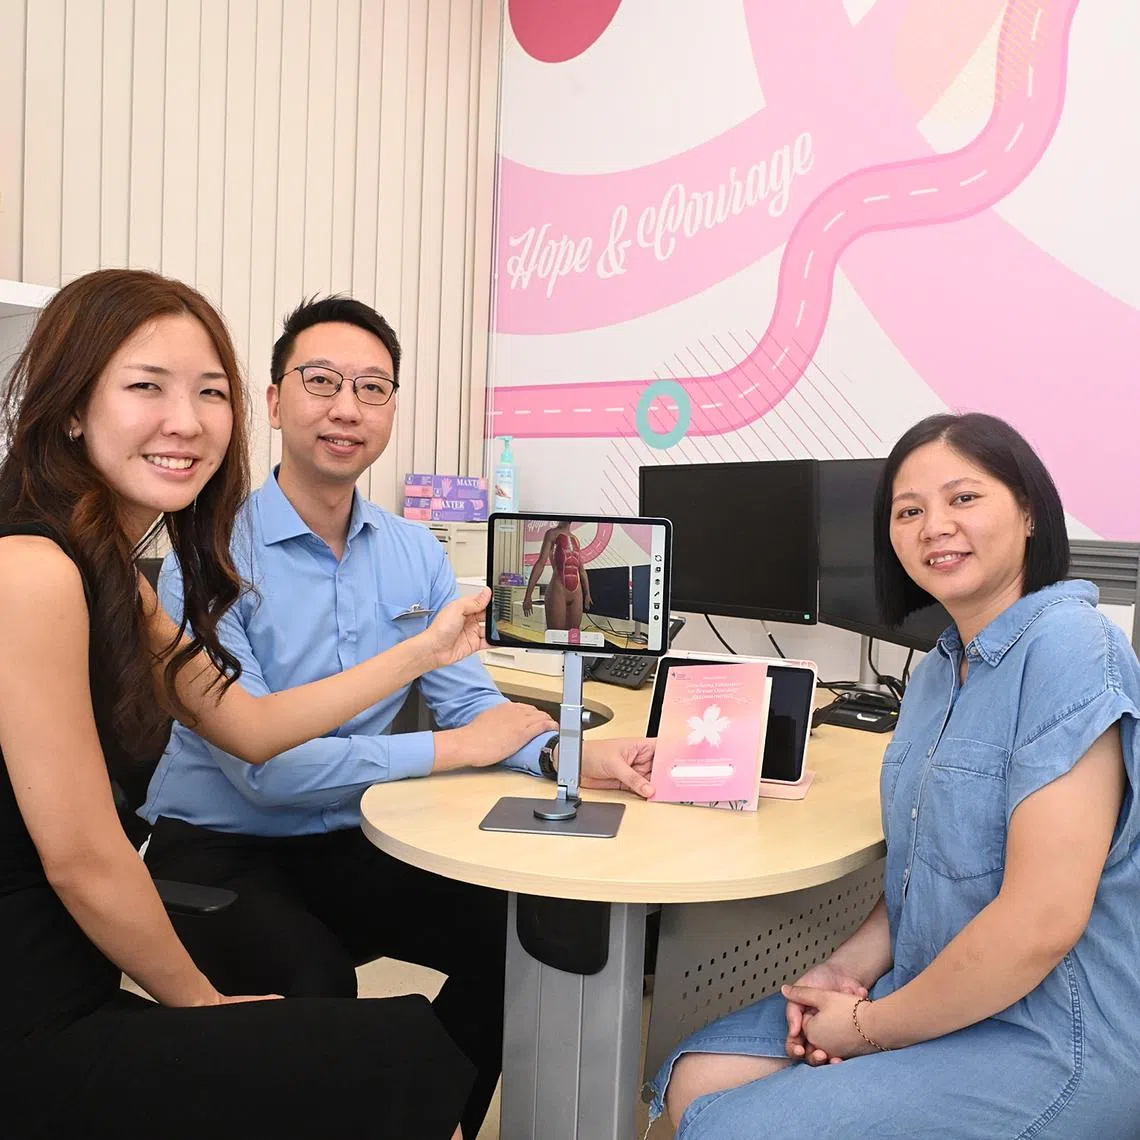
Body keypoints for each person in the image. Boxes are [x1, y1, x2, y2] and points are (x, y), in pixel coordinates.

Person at [139, 294, 657, 1139]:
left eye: (373, 388)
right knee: (317, 989)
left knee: (524, 943)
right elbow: (267, 771)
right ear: (272, 402)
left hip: (353, 837)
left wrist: (567, 756)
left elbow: (472, 701)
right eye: (321, 381)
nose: (347, 407)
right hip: (219, 848)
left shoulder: (416, 551)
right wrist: (451, 749)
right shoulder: (208, 556)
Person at [0, 269, 498, 1139]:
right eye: (145, 387)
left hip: (78, 975)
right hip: (31, 1011)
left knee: (428, 1022)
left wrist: (423, 650)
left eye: (207, 393)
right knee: (387, 1056)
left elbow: (255, 725)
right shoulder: (34, 570)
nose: (185, 422)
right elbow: (84, 857)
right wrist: (203, 1005)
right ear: (73, 408)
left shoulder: (119, 579)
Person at [646, 412, 1140, 1138]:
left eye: (964, 498)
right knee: (696, 1079)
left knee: (731, 1126)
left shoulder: (1070, 647)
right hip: (935, 987)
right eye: (909, 511)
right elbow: (928, 864)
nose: (934, 525)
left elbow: (1039, 924)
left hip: (1049, 1034)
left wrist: (869, 1026)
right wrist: (842, 972)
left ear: (1030, 511)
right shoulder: (942, 667)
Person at [523, 520, 593, 637]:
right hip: (558, 590)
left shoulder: (575, 539)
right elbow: (540, 563)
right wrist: (528, 595)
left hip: (577, 594)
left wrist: (587, 594)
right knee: (556, 637)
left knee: (573, 636)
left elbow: (581, 570)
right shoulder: (552, 534)